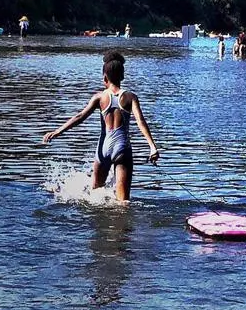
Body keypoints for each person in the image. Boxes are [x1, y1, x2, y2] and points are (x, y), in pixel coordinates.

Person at [42, 55, 160, 202]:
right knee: (123, 203)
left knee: (95, 197)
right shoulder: (131, 97)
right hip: (122, 149)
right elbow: (140, 121)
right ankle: (122, 225)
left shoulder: (99, 97)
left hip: (103, 149)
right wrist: (152, 147)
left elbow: (79, 117)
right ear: (122, 76)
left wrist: (57, 131)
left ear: (105, 78)